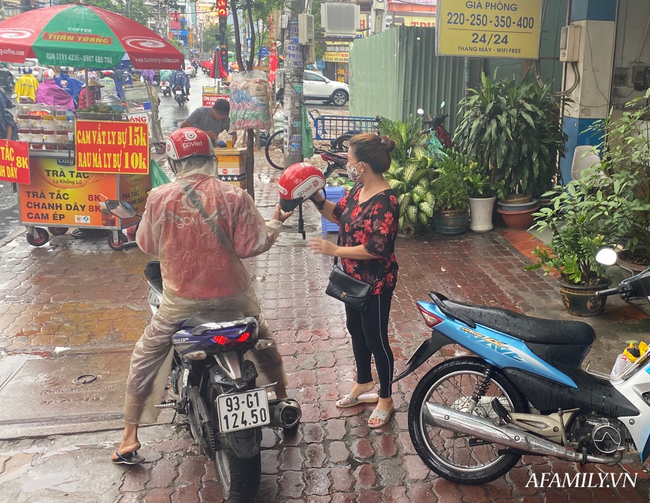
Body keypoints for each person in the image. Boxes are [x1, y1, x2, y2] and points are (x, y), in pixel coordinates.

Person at [111, 127, 294, 465]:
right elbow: (251, 245)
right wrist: (275, 222)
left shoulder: (159, 197)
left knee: (145, 358)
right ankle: (283, 400)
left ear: (173, 160)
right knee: (265, 344)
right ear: (212, 158)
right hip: (235, 300)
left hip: (181, 305)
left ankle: (129, 437)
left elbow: (147, 246)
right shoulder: (234, 196)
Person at [308, 133, 399, 429]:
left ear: (362, 165)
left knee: (377, 339)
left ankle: (385, 397)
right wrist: (312, 194)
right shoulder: (358, 187)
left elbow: (377, 248)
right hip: (350, 276)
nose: (346, 162)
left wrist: (334, 249)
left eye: (348, 158)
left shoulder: (386, 200)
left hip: (375, 281)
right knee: (355, 330)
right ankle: (363, 383)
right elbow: (338, 215)